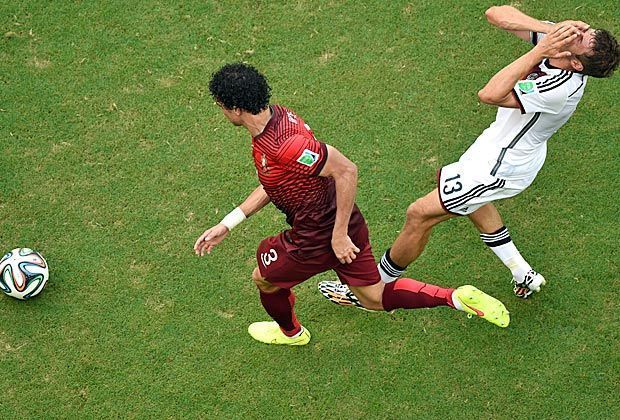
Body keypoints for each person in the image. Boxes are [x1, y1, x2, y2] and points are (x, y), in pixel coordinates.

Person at [319, 5, 619, 307]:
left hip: (500, 165)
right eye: (582, 28)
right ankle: (522, 272)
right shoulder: (560, 40)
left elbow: (490, 94)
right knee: (468, 198)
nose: (575, 32)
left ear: (576, 63)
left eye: (579, 38)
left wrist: (540, 48)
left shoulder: (560, 88)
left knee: (419, 214)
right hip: (494, 147)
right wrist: (547, 30)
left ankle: (376, 288)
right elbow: (496, 14)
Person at [194, 63, 510, 346]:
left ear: (235, 109)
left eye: (221, 106)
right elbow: (273, 181)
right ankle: (455, 297)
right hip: (344, 222)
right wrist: (228, 222)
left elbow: (345, 170)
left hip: (316, 237)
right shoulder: (278, 117)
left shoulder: (283, 145)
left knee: (263, 278)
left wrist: (338, 234)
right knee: (374, 297)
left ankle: (291, 333)